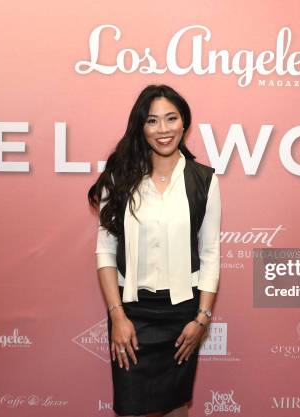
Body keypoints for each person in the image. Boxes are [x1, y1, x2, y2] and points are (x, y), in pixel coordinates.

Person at [87, 84, 221, 417]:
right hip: (131, 314)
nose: (163, 130)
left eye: (171, 119)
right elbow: (105, 251)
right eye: (152, 121)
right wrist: (118, 316)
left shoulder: (204, 180)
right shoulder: (118, 178)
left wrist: (201, 319)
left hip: (183, 318)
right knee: (132, 409)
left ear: (184, 122)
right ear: (141, 127)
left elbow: (210, 254)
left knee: (177, 409)